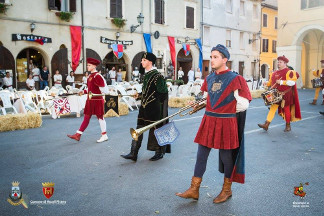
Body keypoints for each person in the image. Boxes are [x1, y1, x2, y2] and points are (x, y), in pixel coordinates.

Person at [175, 44, 251, 204]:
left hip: (226, 121)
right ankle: (194, 189)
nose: (212, 59)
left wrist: (226, 110)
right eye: (211, 56)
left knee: (226, 157)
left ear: (225, 59)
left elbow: (244, 104)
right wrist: (198, 104)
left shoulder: (236, 78)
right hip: (209, 120)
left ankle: (227, 190)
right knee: (201, 154)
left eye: (216, 57)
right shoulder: (209, 78)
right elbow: (207, 98)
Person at [121, 52, 169, 162]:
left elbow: (163, 93)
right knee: (138, 129)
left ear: (150, 62)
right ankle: (133, 153)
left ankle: (159, 152)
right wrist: (140, 95)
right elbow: (149, 91)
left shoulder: (157, 76)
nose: (141, 62)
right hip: (144, 107)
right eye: (142, 60)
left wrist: (157, 106)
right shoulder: (146, 75)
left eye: (144, 60)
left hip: (154, 108)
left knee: (156, 129)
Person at [67, 58, 109, 143]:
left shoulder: (97, 76)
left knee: (100, 118)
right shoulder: (90, 76)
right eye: (87, 65)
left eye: (89, 65)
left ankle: (104, 135)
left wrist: (97, 93)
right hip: (90, 100)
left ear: (94, 66)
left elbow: (105, 91)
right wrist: (84, 91)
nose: (87, 66)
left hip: (97, 100)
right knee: (86, 116)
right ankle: (78, 135)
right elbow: (91, 89)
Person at [258, 55, 302, 132]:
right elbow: (272, 83)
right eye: (278, 62)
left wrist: (281, 82)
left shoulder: (289, 72)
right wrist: (267, 83)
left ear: (285, 63)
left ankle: (288, 126)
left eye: (280, 62)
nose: (278, 63)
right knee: (272, 109)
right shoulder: (274, 73)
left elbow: (292, 82)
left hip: (286, 95)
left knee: (286, 109)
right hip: (275, 94)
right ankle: (266, 124)